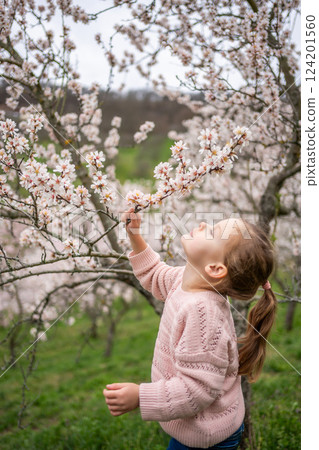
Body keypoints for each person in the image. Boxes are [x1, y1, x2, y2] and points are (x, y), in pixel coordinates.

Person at [103, 208, 277, 449]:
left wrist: (141, 396)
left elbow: (197, 390)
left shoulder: (203, 312)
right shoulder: (188, 280)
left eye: (214, 232)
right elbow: (155, 274)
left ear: (215, 269)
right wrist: (134, 235)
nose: (204, 224)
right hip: (193, 425)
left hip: (207, 435)